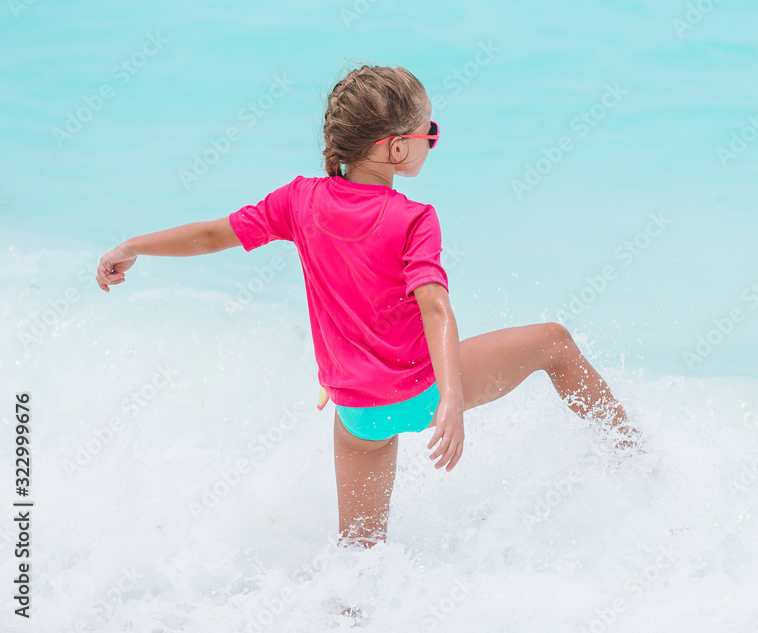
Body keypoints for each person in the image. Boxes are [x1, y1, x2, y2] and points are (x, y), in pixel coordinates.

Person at [96, 63, 644, 551]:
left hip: (358, 413)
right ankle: (635, 459)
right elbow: (434, 308)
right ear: (396, 147)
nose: (434, 140)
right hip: (425, 393)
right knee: (554, 341)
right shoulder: (414, 218)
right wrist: (450, 400)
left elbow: (213, 235)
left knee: (359, 556)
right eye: (431, 132)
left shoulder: (299, 200)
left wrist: (133, 245)